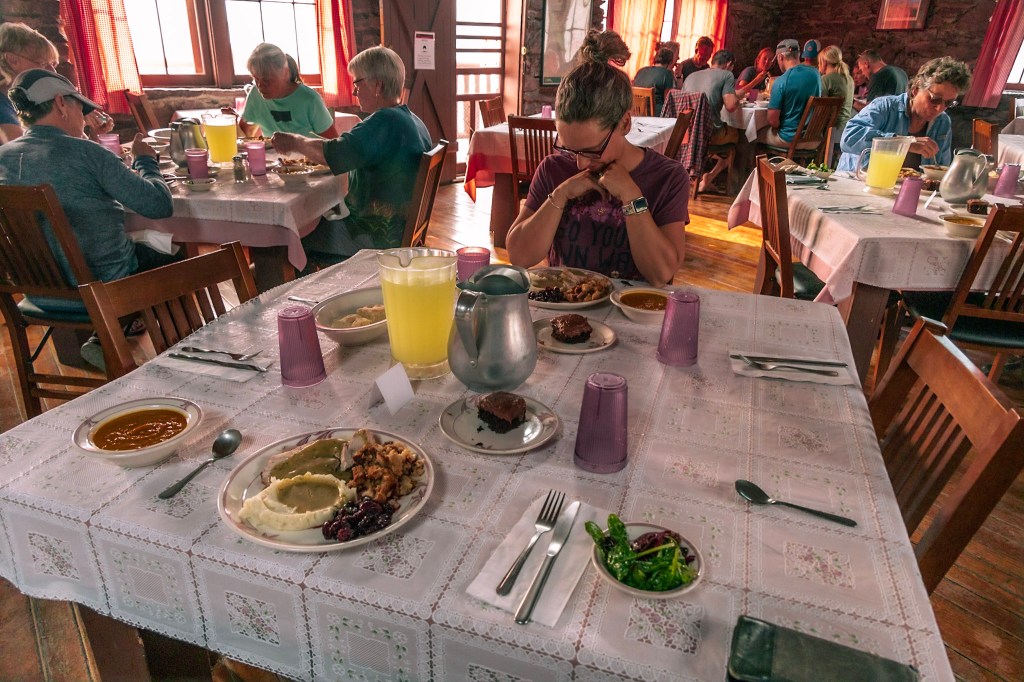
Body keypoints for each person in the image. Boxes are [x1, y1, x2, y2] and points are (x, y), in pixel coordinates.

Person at [0, 69, 175, 368]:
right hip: (99, 291)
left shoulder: (3, 157)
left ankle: (102, 339)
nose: (83, 118)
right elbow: (158, 205)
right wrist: (146, 160)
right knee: (174, 253)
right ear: (60, 104)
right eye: (80, 108)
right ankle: (174, 358)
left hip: (36, 293)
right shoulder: (88, 154)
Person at [507, 31, 688, 286]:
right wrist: (559, 195)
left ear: (625, 123)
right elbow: (519, 256)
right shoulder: (554, 169)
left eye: (592, 150)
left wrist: (631, 197)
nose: (580, 164)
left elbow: (661, 274)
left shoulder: (668, 177)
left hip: (633, 318)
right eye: (570, 149)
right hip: (565, 317)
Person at [271, 46, 431, 264]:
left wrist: (295, 141)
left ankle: (310, 295)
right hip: (398, 229)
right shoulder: (412, 119)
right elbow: (347, 150)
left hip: (375, 238)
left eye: (357, 83)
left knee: (289, 240)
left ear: (377, 85)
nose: (355, 92)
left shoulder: (383, 123)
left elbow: (335, 153)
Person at [838, 57, 972, 173]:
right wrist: (904, 143)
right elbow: (848, 138)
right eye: (935, 99)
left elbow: (941, 169)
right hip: (857, 183)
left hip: (902, 192)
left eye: (948, 103)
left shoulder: (942, 122)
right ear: (915, 90)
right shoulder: (885, 107)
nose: (940, 108)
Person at [0, 22, 114, 143]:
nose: (53, 71)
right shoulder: (3, 107)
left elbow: (79, 151)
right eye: (43, 63)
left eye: (53, 64)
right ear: (13, 60)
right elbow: (22, 155)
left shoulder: (40, 100)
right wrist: (71, 120)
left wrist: (92, 131)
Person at [684, 49, 764, 192]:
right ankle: (730, 185)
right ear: (728, 64)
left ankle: (701, 178)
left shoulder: (692, 76)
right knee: (741, 137)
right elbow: (731, 106)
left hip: (687, 133)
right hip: (709, 134)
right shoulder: (726, 75)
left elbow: (730, 96)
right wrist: (737, 102)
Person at [235, 43, 337, 139]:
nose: (260, 85)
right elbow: (244, 136)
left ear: (285, 73)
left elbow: (333, 144)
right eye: (256, 79)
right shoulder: (255, 95)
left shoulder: (309, 99)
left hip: (308, 157)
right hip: (273, 157)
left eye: (266, 79)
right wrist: (232, 121)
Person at [757, 39, 821, 149]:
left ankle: (756, 166)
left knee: (752, 135)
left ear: (780, 57)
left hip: (790, 139)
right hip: (814, 139)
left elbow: (773, 120)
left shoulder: (781, 81)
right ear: (798, 55)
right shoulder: (816, 74)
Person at [817, 45, 854, 163]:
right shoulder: (849, 79)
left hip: (831, 129)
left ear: (824, 62)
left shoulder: (826, 79)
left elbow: (821, 108)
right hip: (846, 128)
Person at [633, 48, 676, 116]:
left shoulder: (641, 71)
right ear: (670, 62)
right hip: (656, 117)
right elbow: (667, 101)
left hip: (636, 113)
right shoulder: (667, 74)